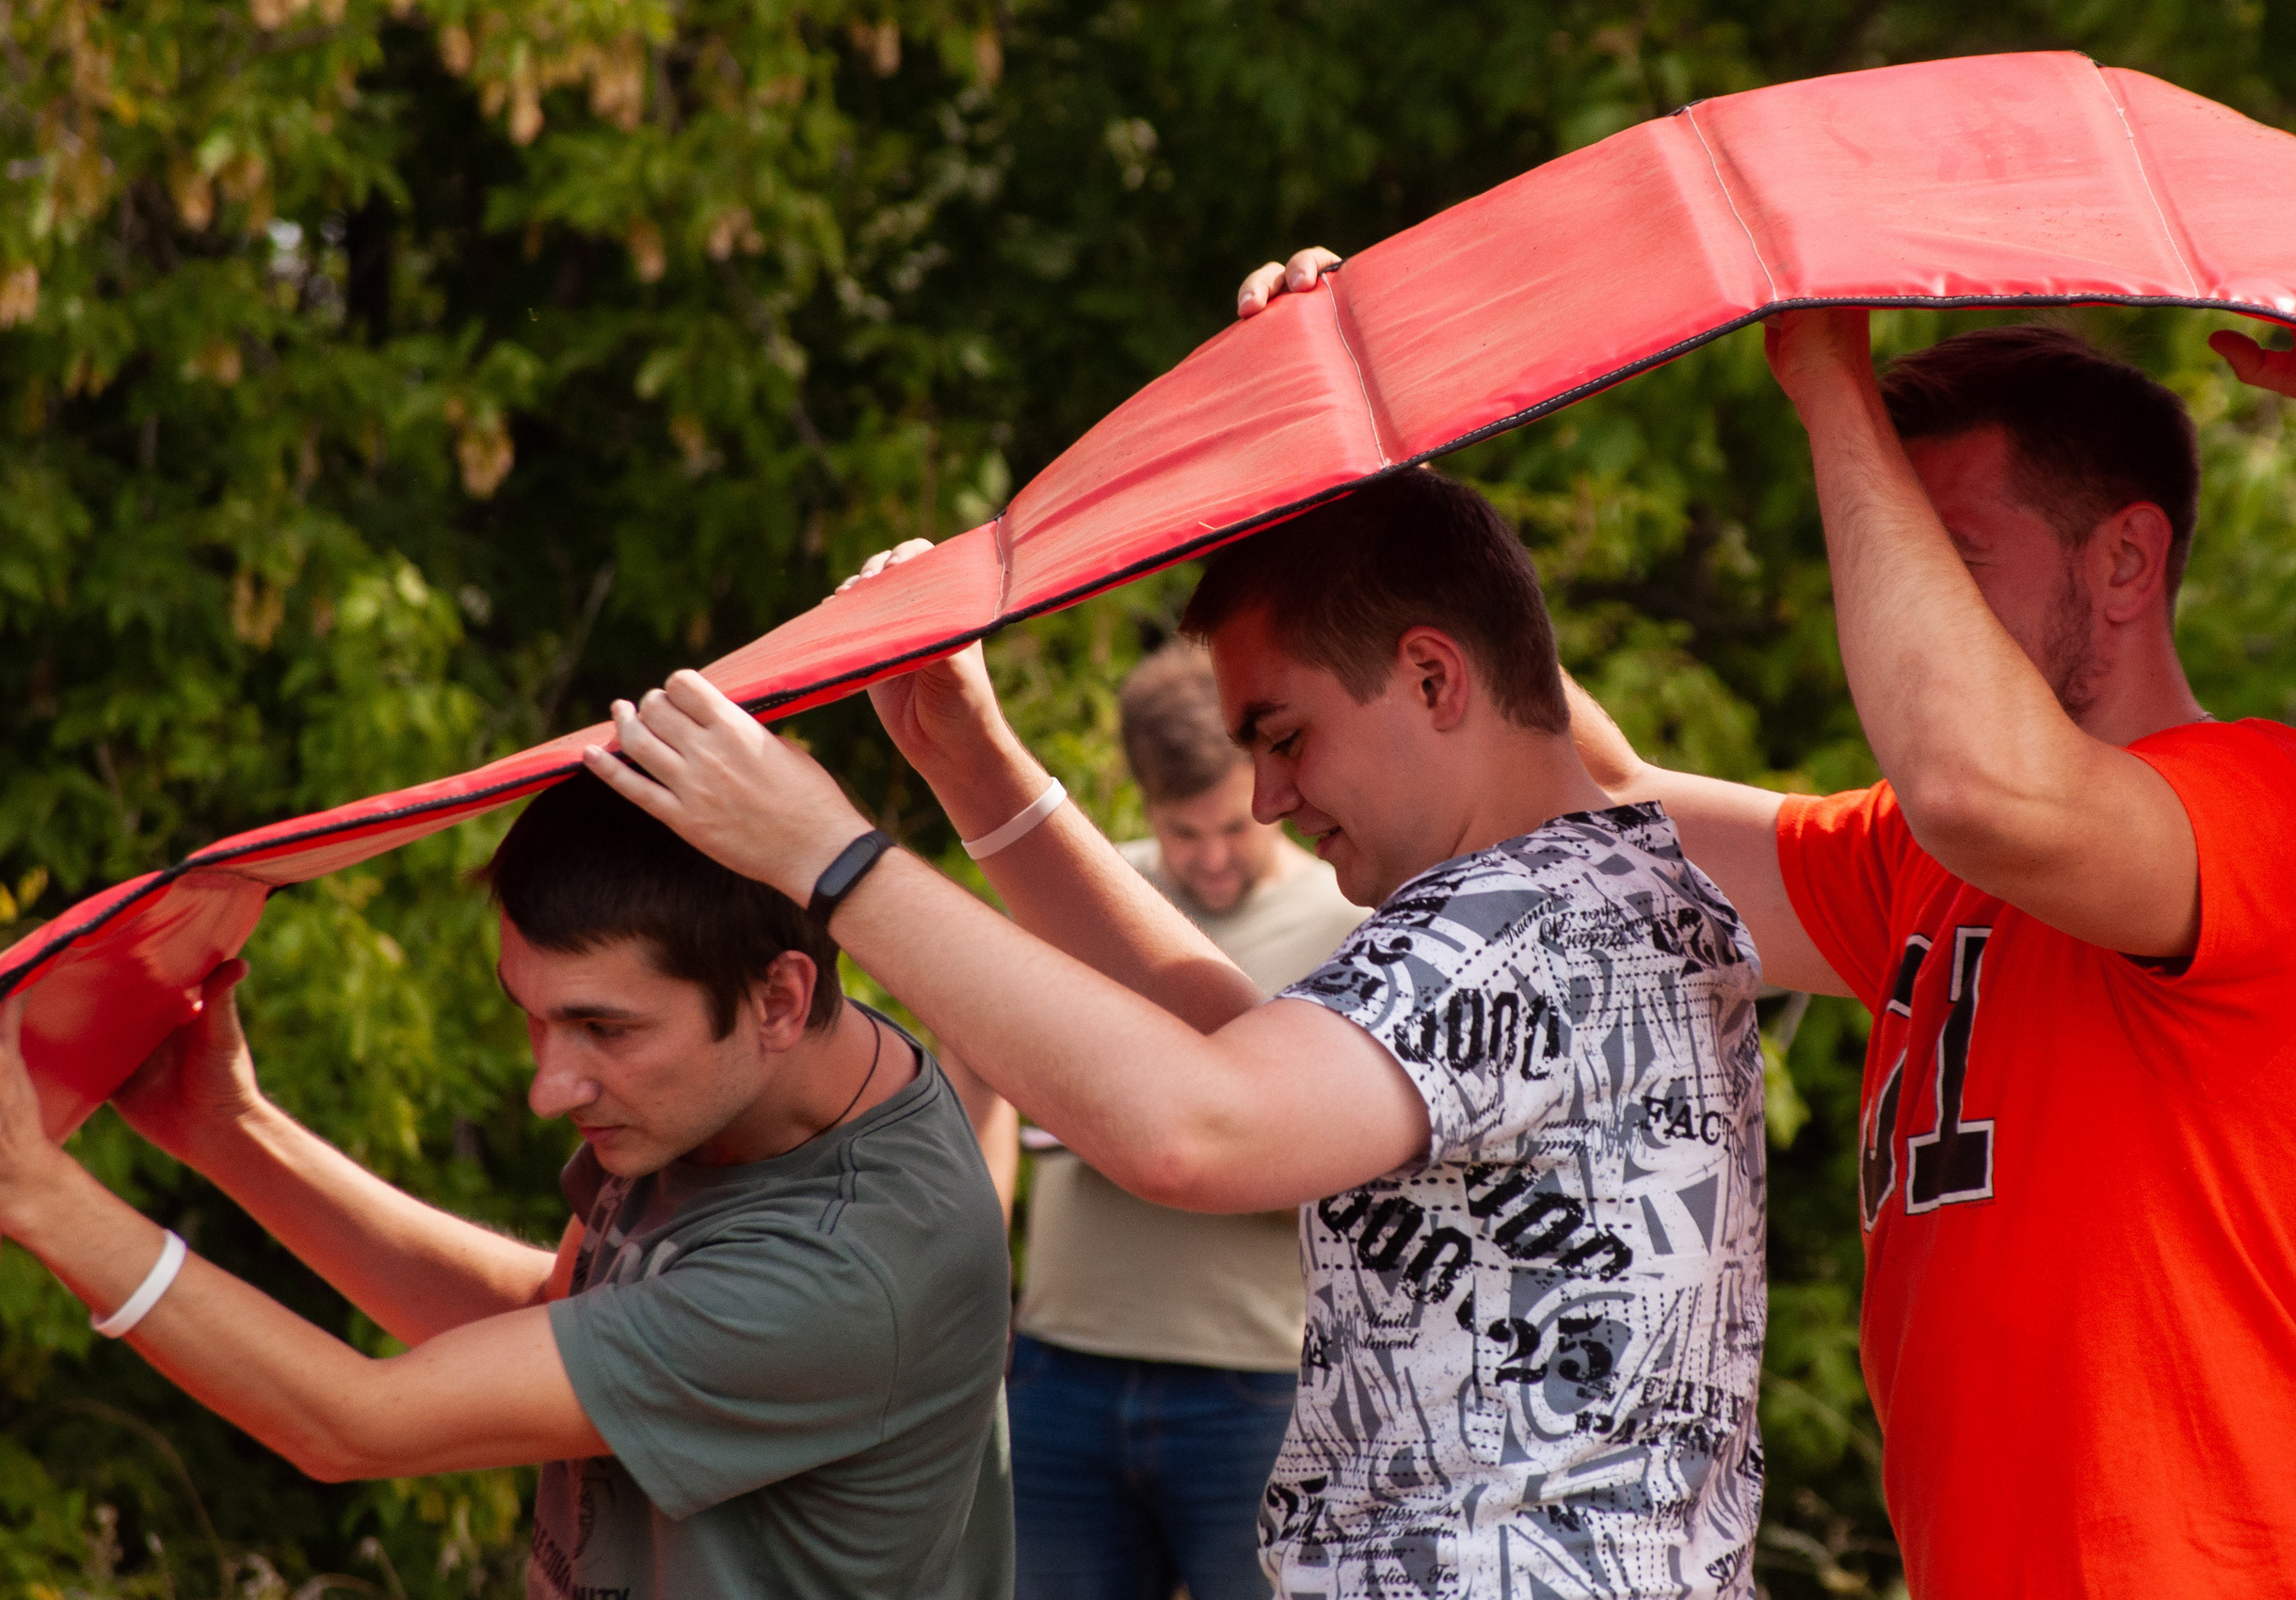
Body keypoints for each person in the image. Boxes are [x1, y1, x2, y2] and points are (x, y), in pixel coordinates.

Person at [1247, 250, 2296, 1593]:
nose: (1898, 591)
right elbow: (1599, 798)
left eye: (1950, 550)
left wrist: (1827, 374)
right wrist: (1369, 465)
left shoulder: (2285, 807)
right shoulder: (1923, 856)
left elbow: (1982, 785)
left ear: (2127, 562)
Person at [586, 468, 1771, 1598]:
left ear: (1430, 677)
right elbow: (1229, 1046)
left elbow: (1194, 1130)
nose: (1264, 797)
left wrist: (830, 858)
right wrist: (972, 765)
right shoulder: (1593, 886)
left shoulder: (1510, 923)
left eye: (1284, 734)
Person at [0, 772, 1012, 1599]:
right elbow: (552, 1317)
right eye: (531, 1016)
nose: (547, 1087)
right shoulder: (746, 1088)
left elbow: (355, 1423)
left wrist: (43, 1198)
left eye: (602, 1028)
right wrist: (230, 1132)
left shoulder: (847, 1268)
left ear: (780, 996)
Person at [956, 639, 1367, 1600]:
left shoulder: (1351, 920)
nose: (1212, 858)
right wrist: (980, 1266)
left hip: (1260, 1382)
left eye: (1233, 826)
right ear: (1142, 801)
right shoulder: (1081, 895)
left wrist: (1175, 1142)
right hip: (1060, 1368)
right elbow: (974, 1061)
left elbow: (1365, 1175)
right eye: (1184, 834)